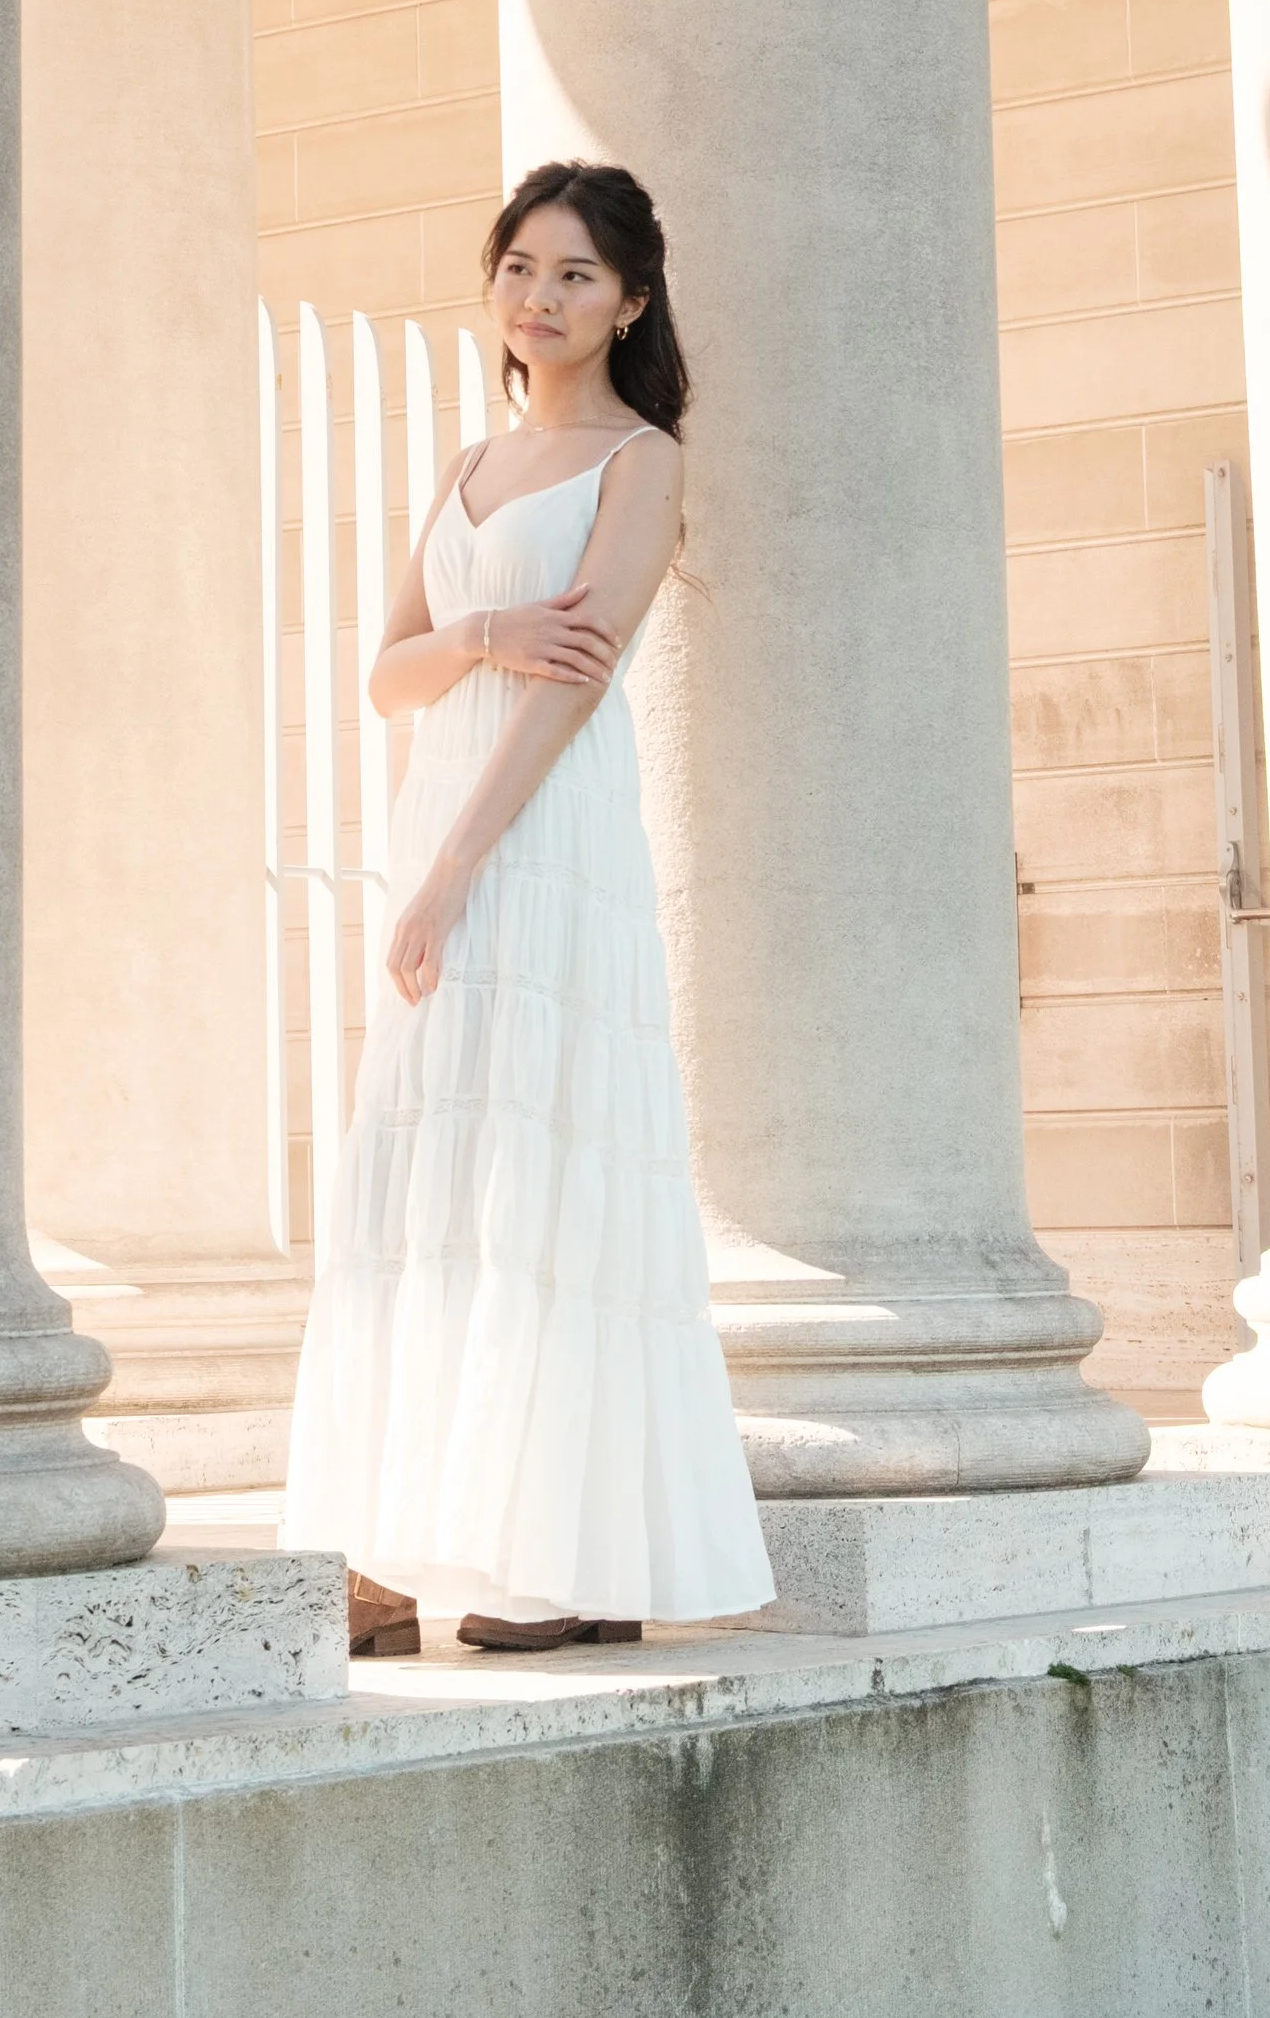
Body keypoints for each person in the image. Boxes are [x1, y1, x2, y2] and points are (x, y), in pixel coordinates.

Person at [282, 161, 774, 1654]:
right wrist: (483, 628)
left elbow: (577, 688)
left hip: (539, 839)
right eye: (518, 268)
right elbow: (387, 676)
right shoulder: (465, 469)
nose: (539, 299)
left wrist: (450, 871)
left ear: (630, 300)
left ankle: (557, 1558)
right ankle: (384, 1544)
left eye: (573, 275)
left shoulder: (642, 463)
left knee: (539, 1167)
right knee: (421, 1176)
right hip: (445, 817)